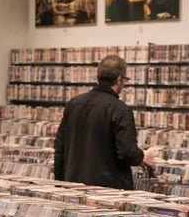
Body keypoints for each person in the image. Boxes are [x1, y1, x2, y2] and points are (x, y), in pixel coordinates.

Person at [53, 55, 160, 190]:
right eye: (125, 80)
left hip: (73, 185)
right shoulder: (120, 110)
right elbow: (127, 153)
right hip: (109, 189)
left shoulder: (73, 104)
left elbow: (60, 149)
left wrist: (60, 184)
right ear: (119, 79)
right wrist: (142, 156)